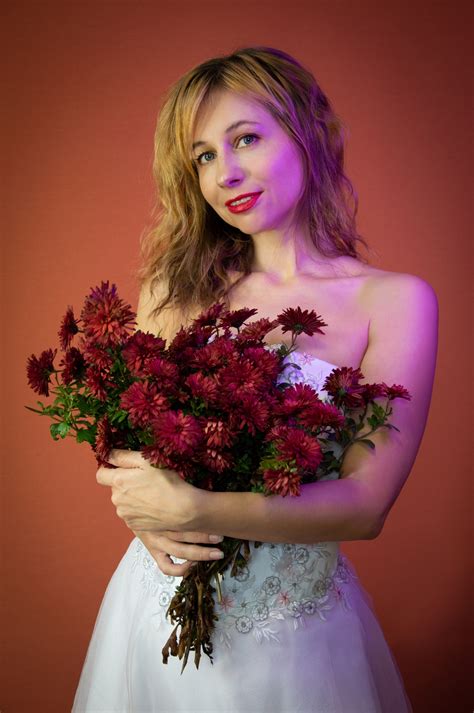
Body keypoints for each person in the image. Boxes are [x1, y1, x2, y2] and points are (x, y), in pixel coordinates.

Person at [72, 46, 438, 712]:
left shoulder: (396, 302)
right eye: (204, 156)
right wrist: (138, 509)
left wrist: (192, 509)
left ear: (305, 134)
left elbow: (366, 504)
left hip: (296, 634)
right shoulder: (175, 288)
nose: (225, 172)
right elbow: (121, 439)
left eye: (245, 138)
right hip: (158, 617)